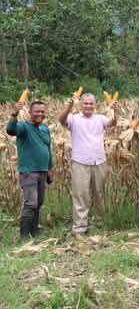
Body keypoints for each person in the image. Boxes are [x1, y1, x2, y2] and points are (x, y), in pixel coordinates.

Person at [59, 93, 117, 236]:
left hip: (99, 161)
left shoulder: (100, 119)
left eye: (91, 103)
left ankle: (99, 222)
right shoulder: (74, 119)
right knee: (81, 194)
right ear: (81, 104)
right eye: (86, 103)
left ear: (95, 105)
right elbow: (61, 120)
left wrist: (115, 111)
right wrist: (69, 106)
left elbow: (112, 123)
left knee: (99, 193)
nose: (89, 106)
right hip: (80, 162)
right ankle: (80, 227)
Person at [7, 100, 53, 238]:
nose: (40, 114)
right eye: (37, 111)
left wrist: (50, 168)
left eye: (42, 111)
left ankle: (34, 230)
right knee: (31, 203)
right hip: (29, 172)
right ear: (30, 113)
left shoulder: (45, 129)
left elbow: (48, 149)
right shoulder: (23, 127)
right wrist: (15, 113)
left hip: (43, 171)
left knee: (38, 203)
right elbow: (10, 130)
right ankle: (24, 235)